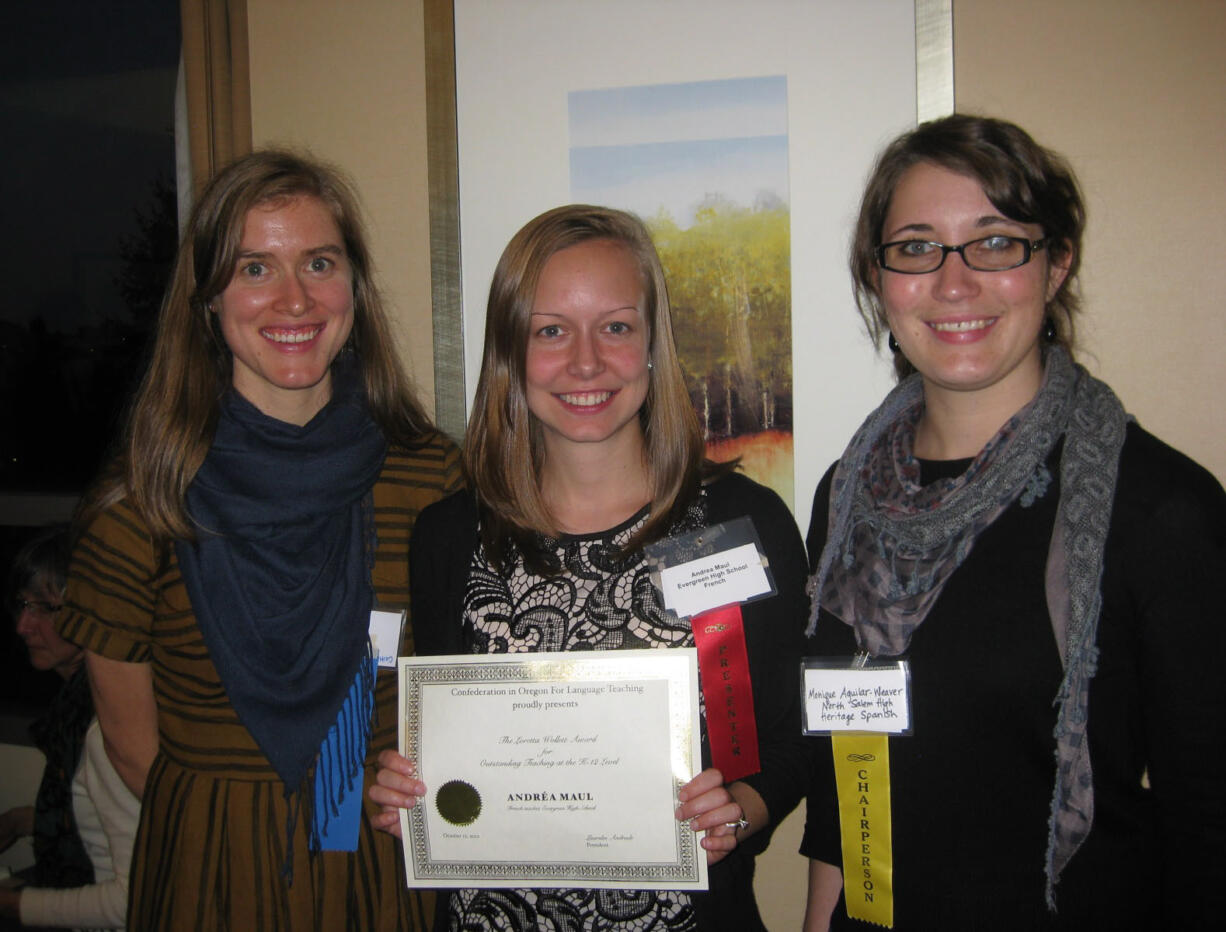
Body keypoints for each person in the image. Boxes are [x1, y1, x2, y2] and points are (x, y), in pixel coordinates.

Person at [801, 114, 1226, 930]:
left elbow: (1207, 819)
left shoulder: (1159, 510)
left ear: (1055, 262)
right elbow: (848, 771)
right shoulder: (848, 497)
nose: (954, 283)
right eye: (917, 246)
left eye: (995, 243)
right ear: (879, 276)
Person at [368, 205, 810, 931]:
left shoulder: (739, 524)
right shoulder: (448, 539)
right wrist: (406, 791)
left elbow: (792, 734)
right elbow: (447, 742)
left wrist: (745, 807)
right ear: (510, 351)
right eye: (550, 331)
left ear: (650, 345)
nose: (585, 362)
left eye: (614, 326)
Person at [56, 150, 462, 930]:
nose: (295, 299)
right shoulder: (138, 502)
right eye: (254, 268)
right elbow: (133, 748)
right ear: (208, 298)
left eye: (319, 262)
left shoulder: (430, 479)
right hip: (211, 875)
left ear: (355, 286)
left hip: (382, 868)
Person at [0, 527, 140, 929]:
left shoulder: (104, 727)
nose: (23, 626)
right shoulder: (72, 709)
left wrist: (14, 905)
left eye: (45, 608)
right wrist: (19, 820)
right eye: (22, 605)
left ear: (89, 612)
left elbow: (132, 900)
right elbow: (90, 820)